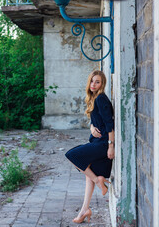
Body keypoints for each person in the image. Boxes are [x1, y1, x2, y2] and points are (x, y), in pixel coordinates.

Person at [65, 70, 115, 224]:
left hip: (103, 144)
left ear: (102, 84)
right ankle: (84, 210)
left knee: (72, 155)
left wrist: (110, 146)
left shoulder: (101, 99)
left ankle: (98, 180)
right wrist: (92, 128)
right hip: (97, 141)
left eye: (97, 82)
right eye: (92, 81)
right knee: (88, 172)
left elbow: (110, 125)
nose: (94, 84)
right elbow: (96, 121)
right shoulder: (94, 98)